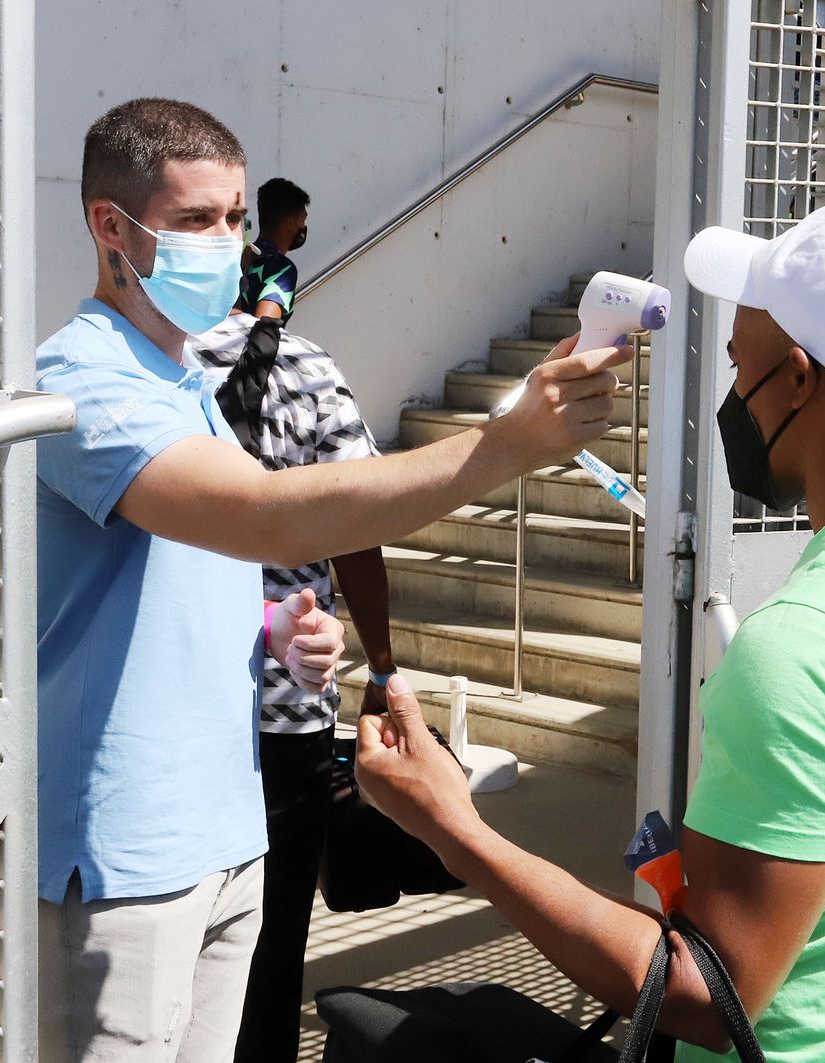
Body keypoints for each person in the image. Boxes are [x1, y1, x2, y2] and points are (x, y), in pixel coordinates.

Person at [355, 203, 825, 1062]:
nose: (730, 390)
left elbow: (704, 994)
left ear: (796, 379)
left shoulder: (807, 642)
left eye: (737, 363)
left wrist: (453, 826)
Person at [34, 97, 629, 1063]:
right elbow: (263, 513)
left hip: (229, 837)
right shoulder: (84, 378)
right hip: (126, 860)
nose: (227, 244)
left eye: (235, 217)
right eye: (196, 220)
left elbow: (188, 554)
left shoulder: (183, 380)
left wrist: (274, 625)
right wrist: (501, 446)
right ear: (112, 226)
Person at [193, 310, 396, 1063]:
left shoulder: (164, 360)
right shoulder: (310, 369)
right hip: (289, 704)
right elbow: (358, 530)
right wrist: (383, 668)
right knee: (272, 943)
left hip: (178, 699)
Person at [237, 176, 308, 323]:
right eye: (303, 220)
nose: (304, 227)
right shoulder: (281, 269)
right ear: (290, 223)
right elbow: (263, 327)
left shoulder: (242, 256)